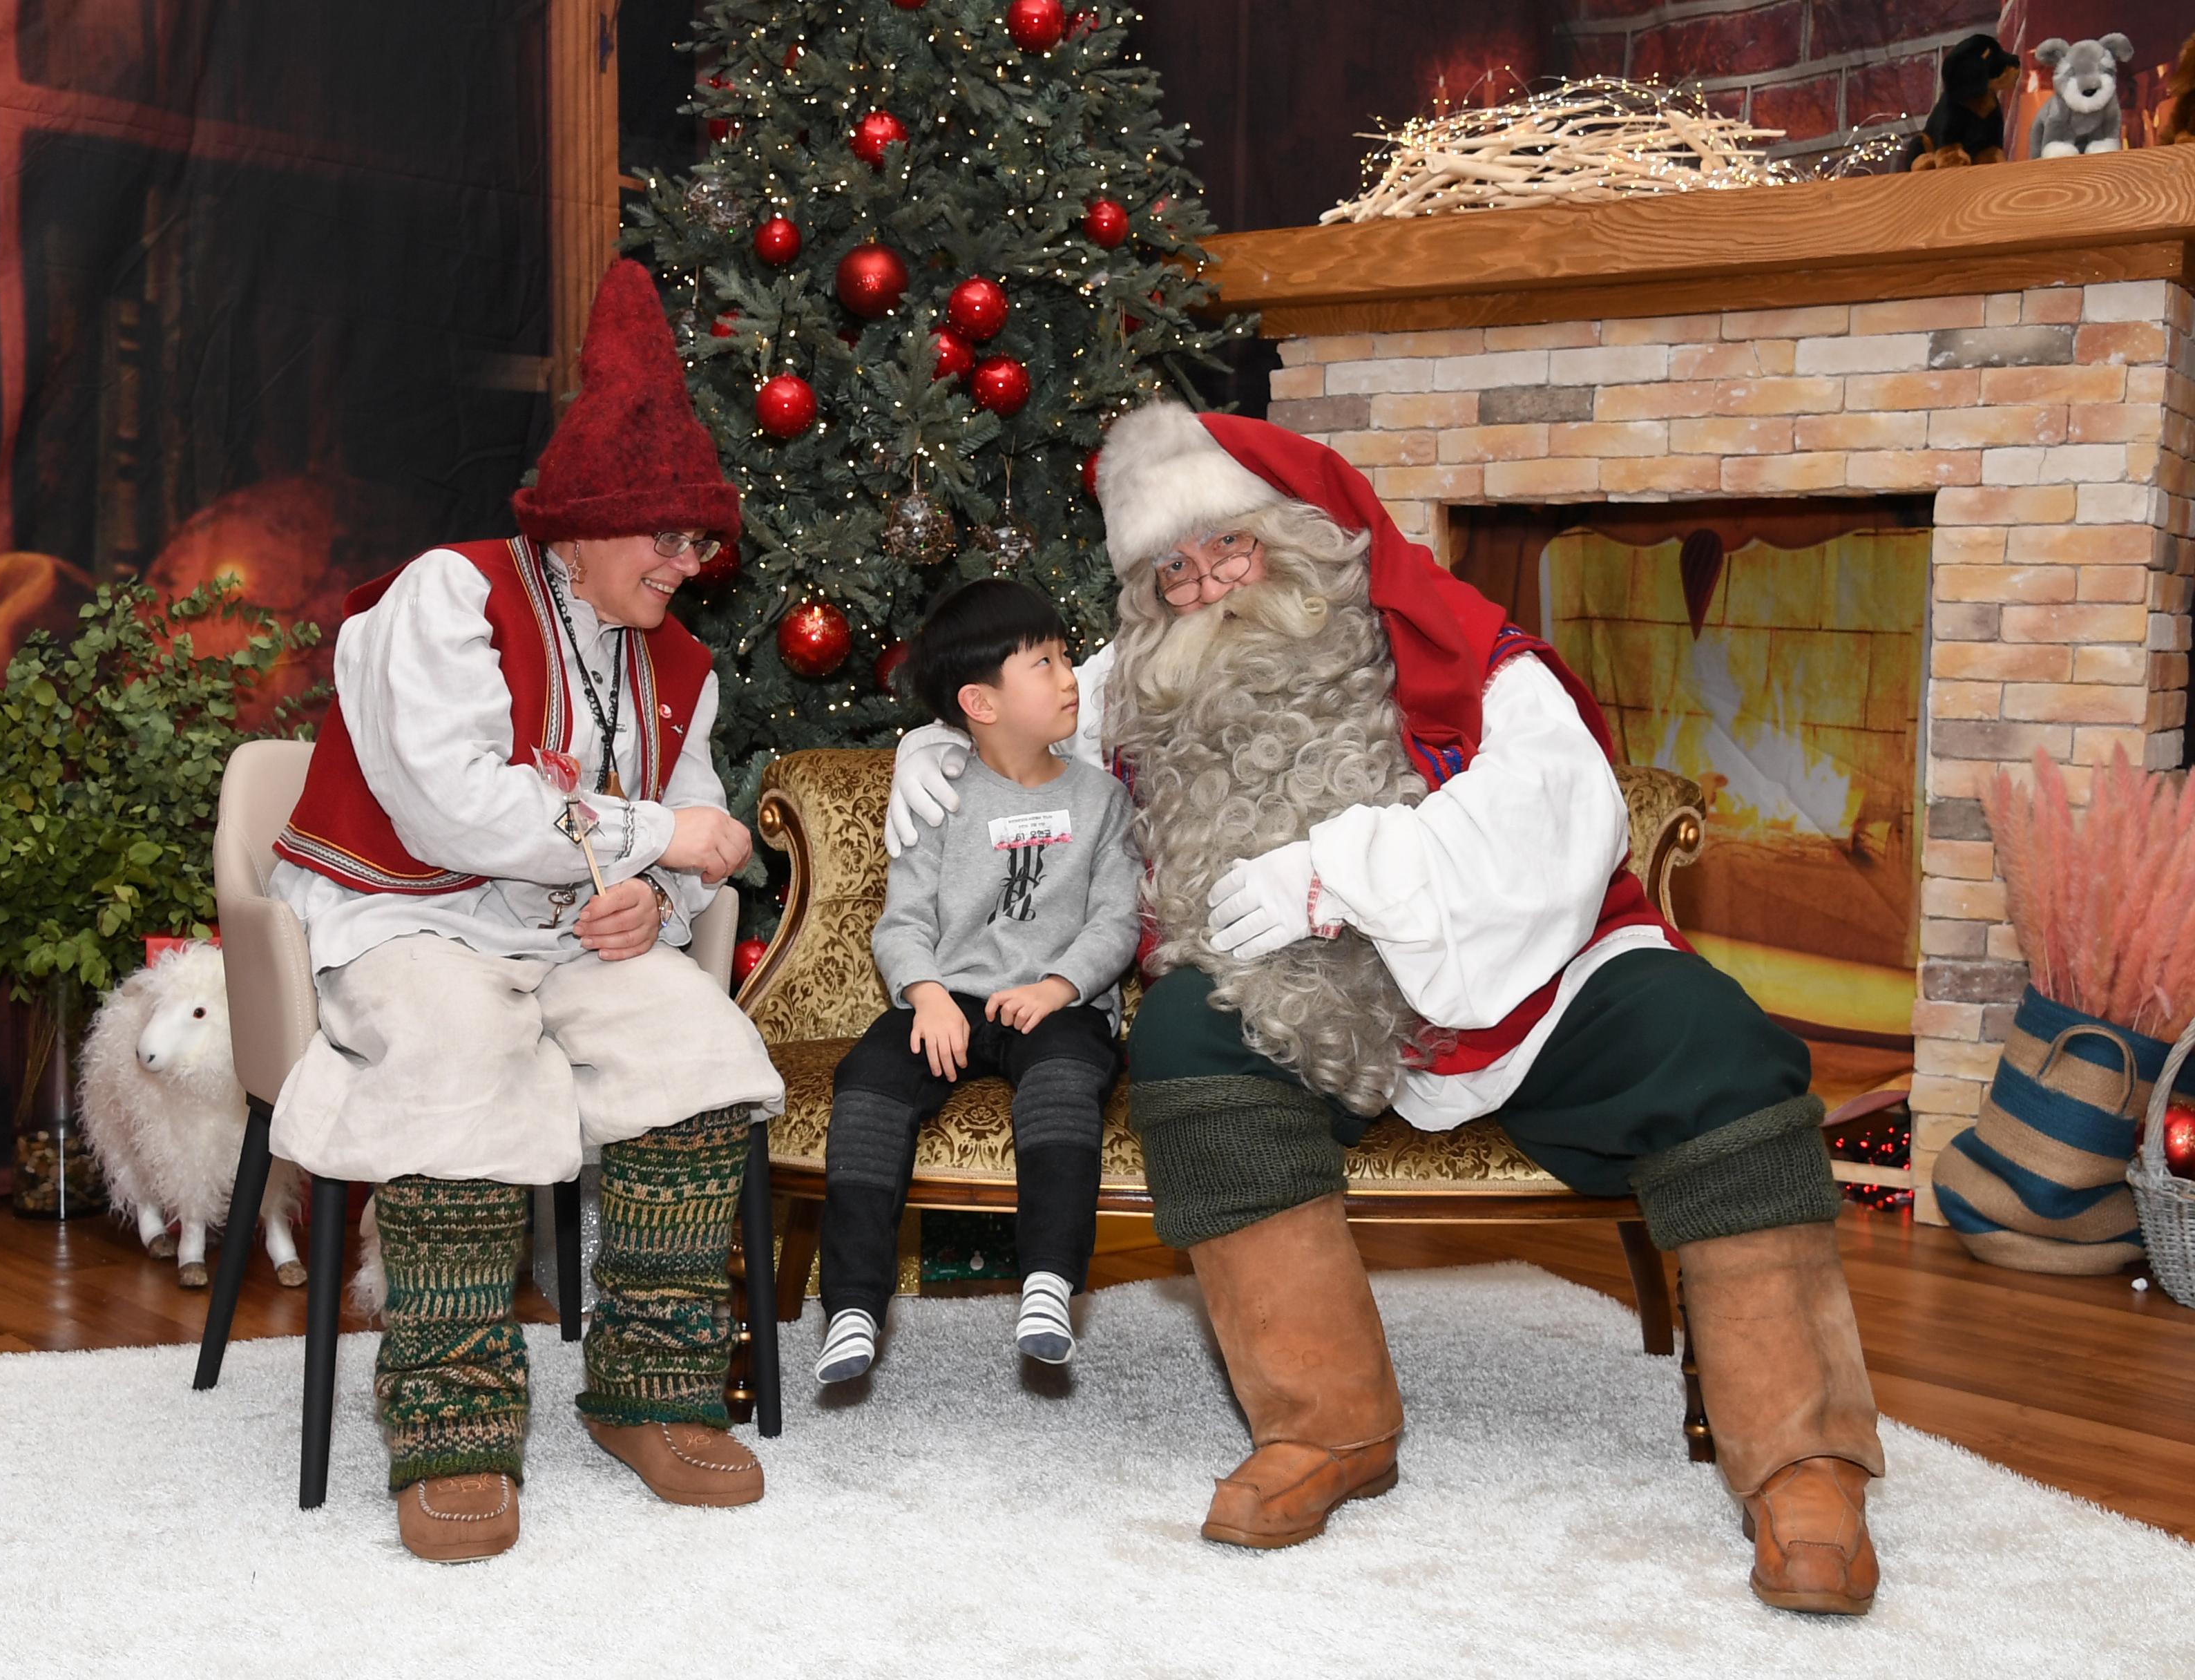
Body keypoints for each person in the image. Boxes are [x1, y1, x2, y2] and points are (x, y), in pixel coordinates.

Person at [882, 403, 1886, 1617]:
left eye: (1231, 550)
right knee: (1192, 1040)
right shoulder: (1142, 675)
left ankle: (1802, 1461)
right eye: (1175, 571)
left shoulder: (1454, 646)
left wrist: (1338, 873)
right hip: (1291, 1001)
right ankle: (1326, 1424)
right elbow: (1010, 715)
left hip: (1521, 980)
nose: (1208, 588)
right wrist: (937, 746)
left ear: (1295, 538)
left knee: (1713, 1044)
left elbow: (1565, 812)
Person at [265, 260, 785, 1563]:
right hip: (407, 918)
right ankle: (449, 1418)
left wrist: (653, 907)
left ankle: (651, 1391)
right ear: (583, 522)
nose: (687, 562)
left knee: (701, 1050)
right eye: (664, 536)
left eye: (698, 540)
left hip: (560, 938)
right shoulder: (448, 595)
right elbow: (452, 809)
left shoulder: (679, 663)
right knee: (460, 1050)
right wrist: (668, 842)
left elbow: (691, 817)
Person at [815, 580, 1142, 1384]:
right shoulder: (939, 797)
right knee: (870, 1079)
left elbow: (1117, 920)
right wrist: (925, 992)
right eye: (1044, 663)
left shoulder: (1102, 800)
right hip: (950, 996)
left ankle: (1047, 1284)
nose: (1070, 678)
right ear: (981, 702)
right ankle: (854, 1303)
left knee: (1066, 1078)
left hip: (1055, 1001)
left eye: (1067, 657)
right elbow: (901, 923)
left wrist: (1061, 986)